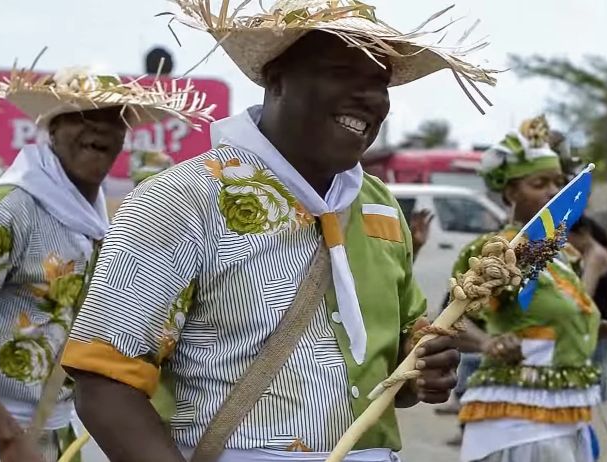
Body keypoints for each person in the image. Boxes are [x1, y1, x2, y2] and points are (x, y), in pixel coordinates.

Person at [59, 2, 496, 461]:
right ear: (277, 80)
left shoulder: (380, 207)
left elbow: (394, 368)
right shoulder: (182, 198)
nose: (368, 96)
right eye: (342, 70)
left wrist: (422, 369)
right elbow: (104, 381)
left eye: (378, 81)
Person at [0, 66, 213, 462]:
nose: (99, 129)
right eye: (81, 116)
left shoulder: (96, 220)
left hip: (61, 429)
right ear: (52, 128)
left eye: (112, 118)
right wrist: (7, 437)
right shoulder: (8, 210)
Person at [454, 115, 607, 462]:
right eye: (540, 183)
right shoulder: (498, 250)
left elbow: (557, 325)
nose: (553, 192)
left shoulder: (559, 254)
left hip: (565, 414)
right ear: (511, 191)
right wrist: (488, 343)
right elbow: (449, 322)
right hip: (515, 420)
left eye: (558, 182)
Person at [568, 217, 607, 402]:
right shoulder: (588, 254)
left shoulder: (595, 255)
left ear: (583, 234)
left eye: (567, 236)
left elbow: (583, 296)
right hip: (592, 330)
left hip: (595, 331)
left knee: (589, 392)